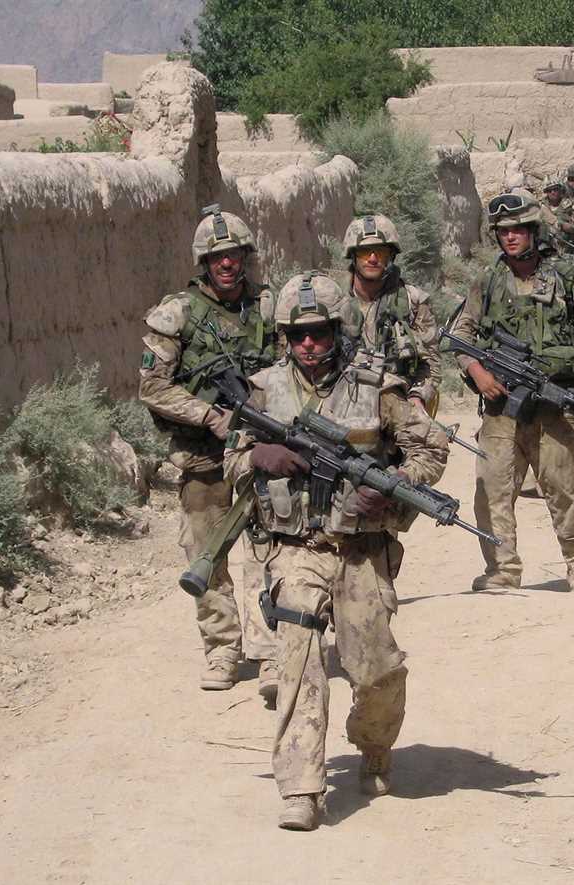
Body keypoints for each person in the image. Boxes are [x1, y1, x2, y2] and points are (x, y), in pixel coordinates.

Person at [224, 272, 449, 831]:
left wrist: (392, 482)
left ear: (337, 331)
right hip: (294, 547)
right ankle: (301, 787)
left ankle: (373, 745)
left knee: (376, 671)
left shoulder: (377, 387)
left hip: (361, 551)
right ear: (284, 337)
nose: (308, 345)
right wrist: (258, 459)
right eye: (297, 336)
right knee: (297, 657)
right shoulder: (262, 388)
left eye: (319, 333)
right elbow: (230, 459)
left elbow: (431, 450)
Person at [139, 205, 279, 696]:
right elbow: (152, 388)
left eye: (234, 255)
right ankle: (222, 649)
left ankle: (269, 651)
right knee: (207, 553)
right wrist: (210, 416)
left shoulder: (267, 309)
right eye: (217, 257)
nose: (227, 264)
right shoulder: (176, 314)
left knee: (269, 550)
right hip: (205, 457)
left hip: (263, 452)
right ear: (204, 261)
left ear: (246, 257)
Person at [451, 191, 574, 594]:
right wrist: (478, 372)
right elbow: (459, 336)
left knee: (565, 488)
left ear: (532, 232)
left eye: (518, 230)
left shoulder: (564, 277)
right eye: (503, 232)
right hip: (501, 406)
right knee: (493, 491)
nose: (510, 238)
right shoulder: (487, 281)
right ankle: (503, 570)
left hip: (552, 404)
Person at [341, 214, 440, 414]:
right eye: (364, 252)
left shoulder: (414, 301)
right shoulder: (332, 302)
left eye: (380, 252)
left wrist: (418, 396)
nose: (372, 258)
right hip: (343, 403)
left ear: (392, 256)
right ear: (353, 256)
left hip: (398, 402)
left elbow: (431, 365)